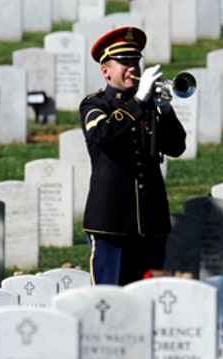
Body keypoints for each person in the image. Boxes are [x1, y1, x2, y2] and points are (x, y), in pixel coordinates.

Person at [79, 26, 187, 285]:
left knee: (149, 298)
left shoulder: (148, 105)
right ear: (106, 71)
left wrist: (166, 110)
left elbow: (176, 147)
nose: (133, 68)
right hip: (111, 222)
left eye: (135, 62)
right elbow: (102, 134)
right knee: (110, 297)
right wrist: (138, 101)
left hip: (151, 222)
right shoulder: (95, 105)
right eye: (124, 63)